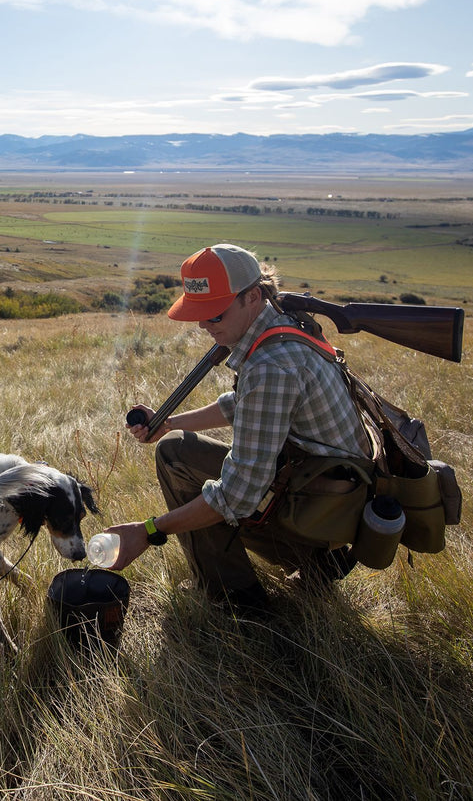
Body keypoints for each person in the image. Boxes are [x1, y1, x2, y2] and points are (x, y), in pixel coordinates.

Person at [104, 243, 372, 610]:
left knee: (187, 470)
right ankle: (319, 560)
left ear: (252, 297)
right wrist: (168, 423)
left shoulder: (271, 365)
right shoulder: (279, 325)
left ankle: (238, 603)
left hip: (325, 511)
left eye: (215, 314)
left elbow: (236, 496)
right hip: (329, 490)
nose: (203, 324)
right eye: (200, 313)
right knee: (175, 448)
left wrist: (148, 532)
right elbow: (245, 405)